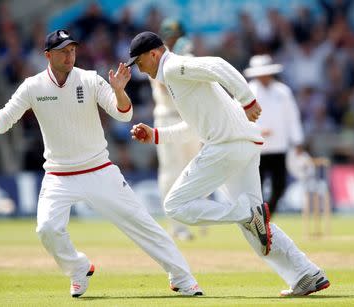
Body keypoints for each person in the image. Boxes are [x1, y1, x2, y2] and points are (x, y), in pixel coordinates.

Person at [0, 29, 203, 298]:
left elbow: (123, 114)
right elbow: (7, 115)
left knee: (143, 224)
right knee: (47, 229)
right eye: (62, 51)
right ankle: (78, 268)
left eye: (72, 50)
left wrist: (119, 91)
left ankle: (182, 278)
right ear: (48, 55)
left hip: (99, 170)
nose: (69, 55)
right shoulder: (32, 86)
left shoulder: (90, 79)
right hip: (59, 174)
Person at [126, 31, 330, 296]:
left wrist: (248, 99)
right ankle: (306, 273)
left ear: (154, 54)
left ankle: (246, 213)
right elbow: (196, 125)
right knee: (257, 229)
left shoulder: (174, 66)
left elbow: (218, 65)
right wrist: (156, 135)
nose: (139, 69)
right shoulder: (174, 78)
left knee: (175, 205)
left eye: (139, 62)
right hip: (240, 145)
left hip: (226, 146)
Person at [150, 18, 202, 241]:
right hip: (167, 118)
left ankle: (193, 215)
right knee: (171, 171)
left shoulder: (185, 58)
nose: (173, 41)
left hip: (189, 119)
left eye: (176, 36)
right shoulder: (156, 60)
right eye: (169, 37)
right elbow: (164, 87)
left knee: (194, 169)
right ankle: (176, 226)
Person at [243, 54, 305, 214]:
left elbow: (292, 117)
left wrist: (297, 141)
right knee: (257, 187)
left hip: (279, 146)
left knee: (280, 186)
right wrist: (256, 130)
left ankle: (267, 216)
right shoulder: (247, 91)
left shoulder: (282, 91)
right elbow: (240, 119)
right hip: (257, 147)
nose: (264, 76)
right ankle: (257, 216)